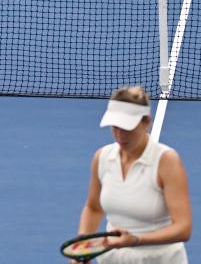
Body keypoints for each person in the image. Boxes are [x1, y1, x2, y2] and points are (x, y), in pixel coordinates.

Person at [73, 86, 192, 263]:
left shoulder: (167, 161)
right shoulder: (102, 157)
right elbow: (93, 208)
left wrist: (136, 240)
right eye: (115, 127)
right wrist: (82, 248)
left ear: (146, 122)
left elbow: (183, 228)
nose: (120, 135)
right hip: (113, 257)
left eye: (127, 128)